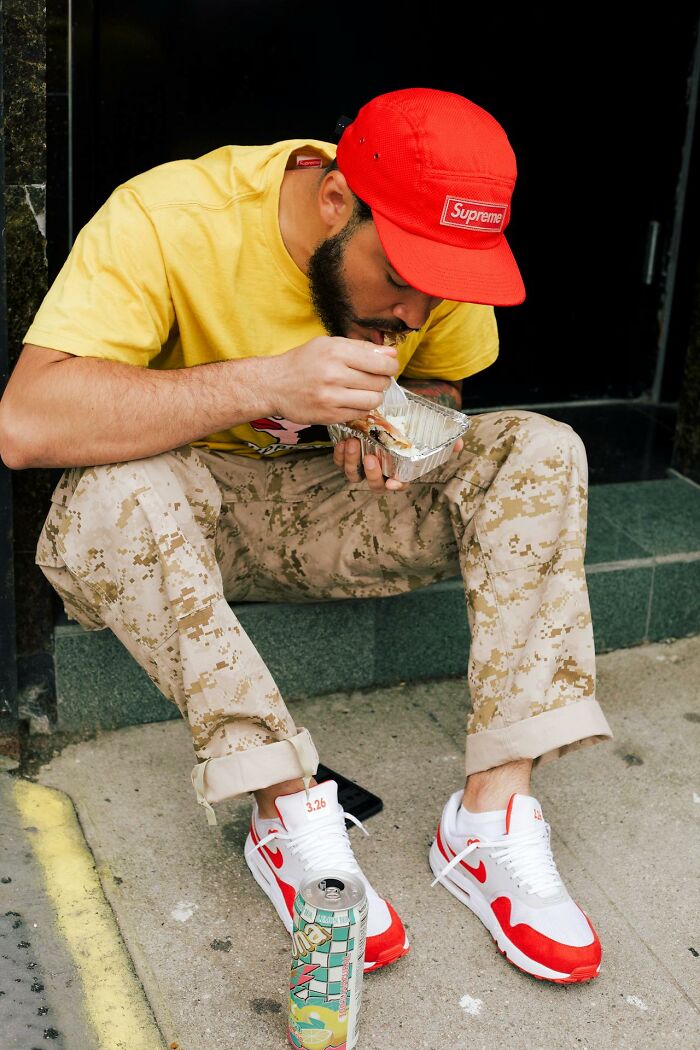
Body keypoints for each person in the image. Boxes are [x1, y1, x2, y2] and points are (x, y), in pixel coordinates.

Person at [0, 87, 612, 983]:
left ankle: (491, 815)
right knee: (110, 492)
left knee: (543, 449)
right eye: (399, 276)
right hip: (186, 525)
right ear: (335, 200)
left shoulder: (429, 276)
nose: (415, 312)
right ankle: (284, 805)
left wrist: (403, 418)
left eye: (437, 287)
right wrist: (265, 384)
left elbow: (443, 382)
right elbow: (24, 423)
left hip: (338, 512)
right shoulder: (171, 216)